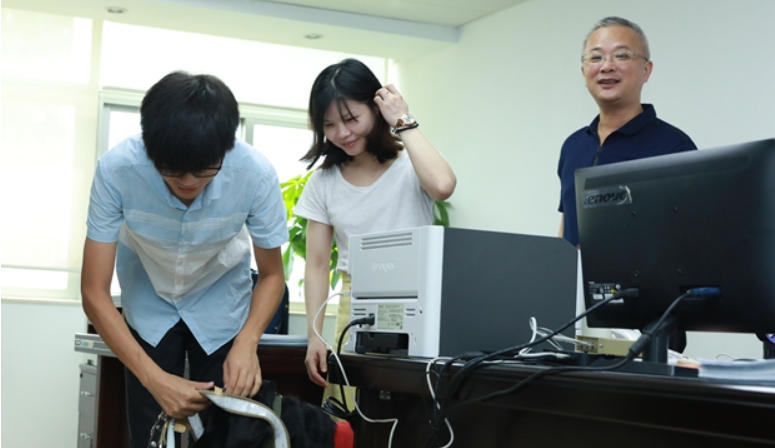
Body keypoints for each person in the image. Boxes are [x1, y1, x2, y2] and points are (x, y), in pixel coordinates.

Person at [81, 71, 288, 448]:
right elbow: (94, 291)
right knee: (151, 426)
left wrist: (248, 342)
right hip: (149, 296)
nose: (189, 181)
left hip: (221, 301)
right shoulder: (117, 170)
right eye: (173, 169)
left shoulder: (255, 175)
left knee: (228, 429)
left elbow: (273, 275)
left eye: (204, 168)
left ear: (226, 148)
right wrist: (153, 378)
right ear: (150, 148)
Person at [295, 59, 456, 402]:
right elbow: (317, 265)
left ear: (377, 107)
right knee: (352, 409)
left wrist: (403, 120)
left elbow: (443, 186)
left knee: (411, 409)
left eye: (351, 119)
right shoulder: (323, 183)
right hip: (355, 303)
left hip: (417, 301)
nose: (342, 133)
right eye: (329, 125)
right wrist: (314, 336)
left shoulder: (411, 163)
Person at [558, 16, 697, 247]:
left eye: (621, 55)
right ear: (584, 72)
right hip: (574, 273)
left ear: (646, 70)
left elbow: (692, 237)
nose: (606, 66)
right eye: (596, 57)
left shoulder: (675, 147)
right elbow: (566, 227)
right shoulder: (572, 146)